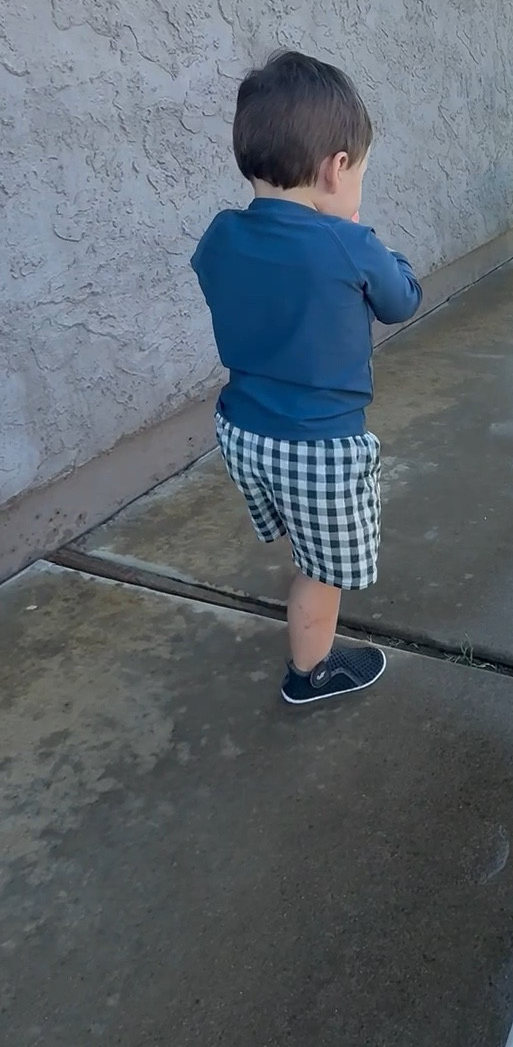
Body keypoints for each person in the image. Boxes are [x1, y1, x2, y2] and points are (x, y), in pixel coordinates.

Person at [192, 50, 422, 705]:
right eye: (361, 175)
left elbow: (223, 281)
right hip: (319, 447)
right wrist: (380, 250)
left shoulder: (221, 234)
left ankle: (305, 547)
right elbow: (401, 300)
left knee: (302, 531)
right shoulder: (351, 244)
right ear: (335, 168)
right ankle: (310, 673)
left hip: (241, 433)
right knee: (323, 575)